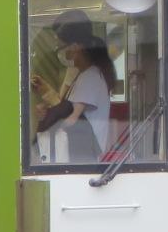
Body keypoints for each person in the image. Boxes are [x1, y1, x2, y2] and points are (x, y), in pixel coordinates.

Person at [44, 35, 116, 163]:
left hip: (83, 153)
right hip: (83, 151)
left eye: (66, 47)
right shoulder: (87, 75)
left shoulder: (90, 77)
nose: (64, 52)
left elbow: (72, 118)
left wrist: (51, 121)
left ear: (78, 48)